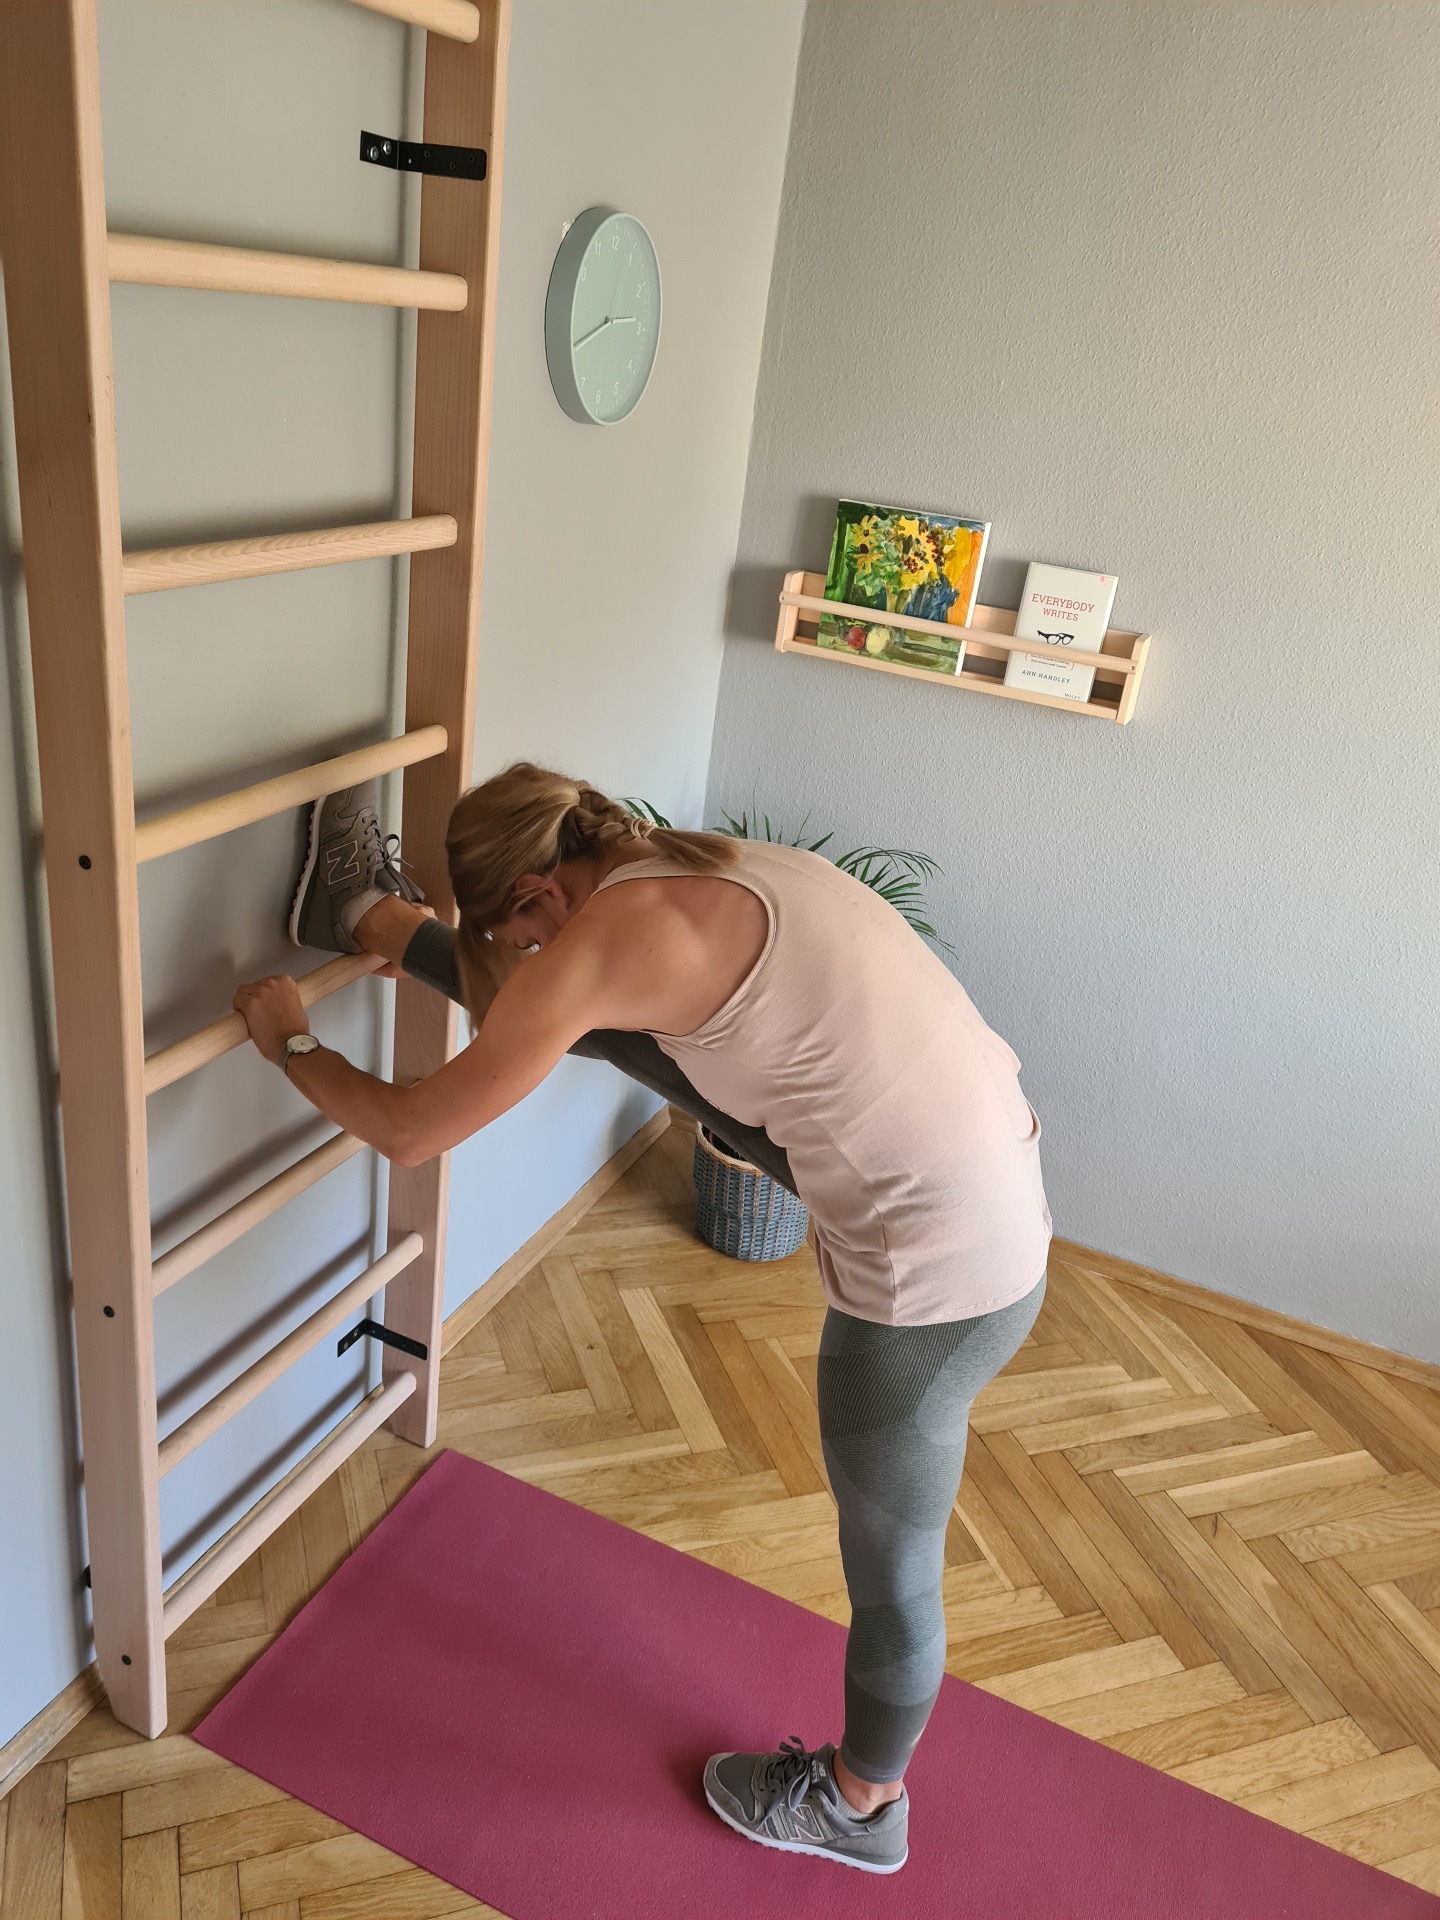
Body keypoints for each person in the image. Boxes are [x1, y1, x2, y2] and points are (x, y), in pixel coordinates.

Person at [233, 765, 1052, 1876]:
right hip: (996, 1180)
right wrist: (440, 947)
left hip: (938, 1278)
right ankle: (364, 914)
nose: (527, 956)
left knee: (894, 1568)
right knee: (602, 1030)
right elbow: (575, 1015)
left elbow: (412, 1132)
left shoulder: (606, 945)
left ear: (540, 892)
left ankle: (864, 1806)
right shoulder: (687, 862)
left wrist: (293, 1042)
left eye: (520, 937)